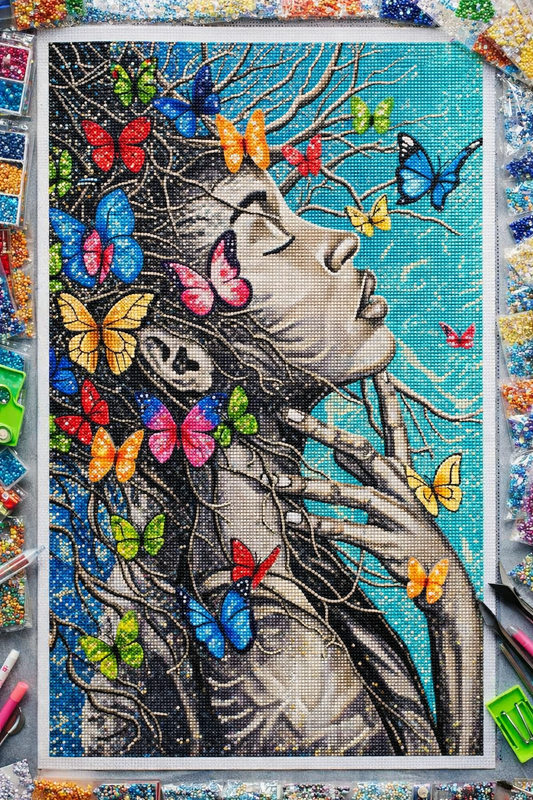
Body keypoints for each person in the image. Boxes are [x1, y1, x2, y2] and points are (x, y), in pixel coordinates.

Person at [48, 41, 483, 760]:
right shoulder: (270, 639)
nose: (340, 241)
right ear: (179, 360)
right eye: (269, 233)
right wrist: (455, 617)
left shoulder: (272, 562)